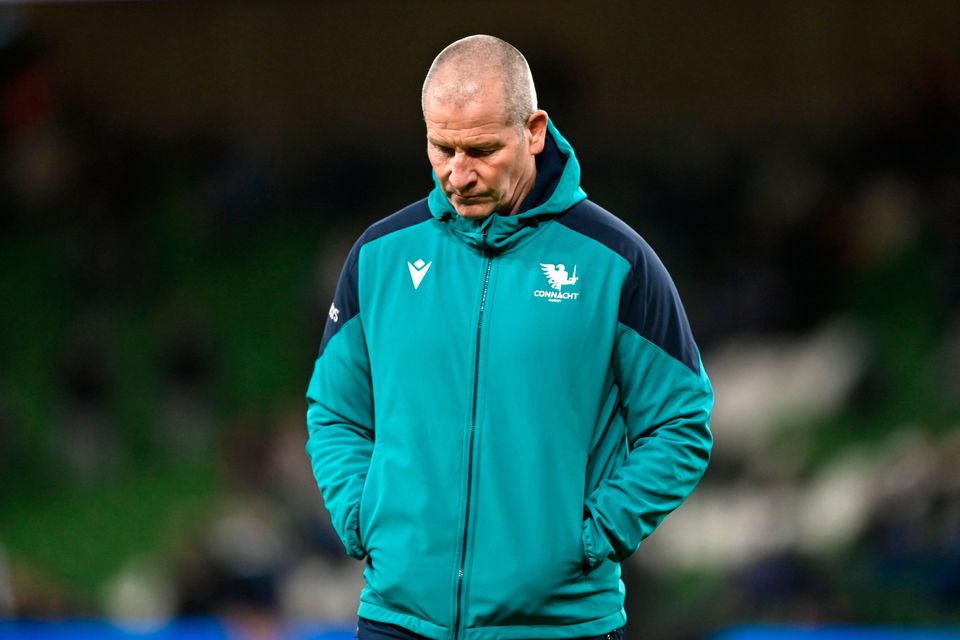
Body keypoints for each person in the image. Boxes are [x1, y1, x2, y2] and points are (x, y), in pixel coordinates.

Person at [306, 35, 714, 640]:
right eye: (440, 147)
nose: (457, 173)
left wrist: (591, 534)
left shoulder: (616, 262)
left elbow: (681, 422)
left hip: (558, 623)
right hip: (399, 620)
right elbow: (335, 412)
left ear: (535, 130)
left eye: (481, 150)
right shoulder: (378, 257)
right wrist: (363, 517)